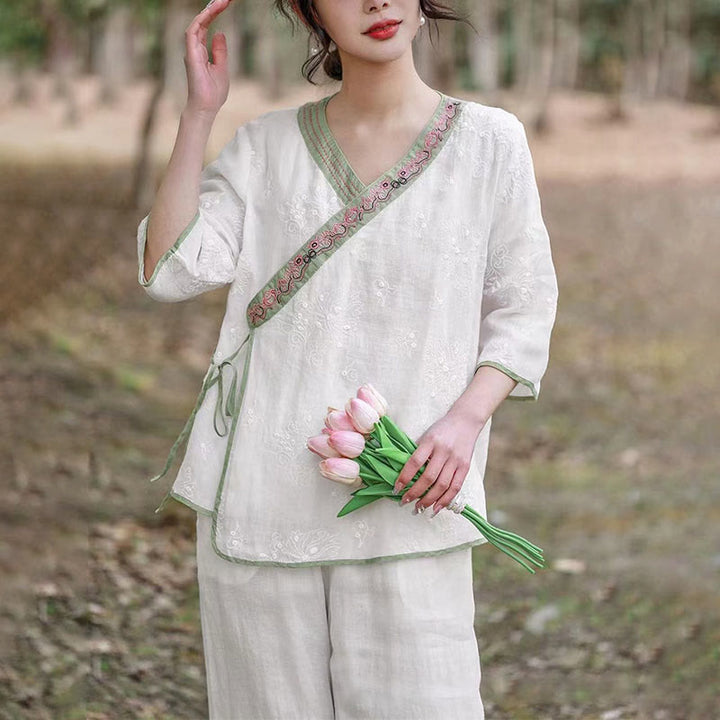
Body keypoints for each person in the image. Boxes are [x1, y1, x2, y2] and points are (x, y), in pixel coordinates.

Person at [136, 0, 559, 717]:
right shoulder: (265, 146)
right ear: (310, 12)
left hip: (409, 495)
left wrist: (464, 422)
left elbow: (524, 307)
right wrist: (200, 114)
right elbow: (172, 270)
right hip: (261, 502)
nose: (374, 2)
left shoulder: (491, 142)